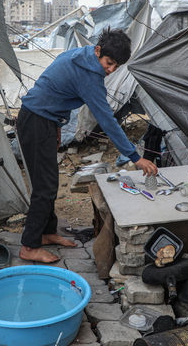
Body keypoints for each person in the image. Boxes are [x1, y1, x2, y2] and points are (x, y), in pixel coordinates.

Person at [16, 28, 159, 263]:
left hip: (44, 120)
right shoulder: (89, 76)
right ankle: (29, 246)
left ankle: (46, 233)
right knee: (45, 186)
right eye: (109, 63)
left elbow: (55, 91)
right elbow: (107, 121)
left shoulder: (80, 54)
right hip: (36, 122)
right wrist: (135, 157)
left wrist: (57, 126)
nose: (111, 70)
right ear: (98, 50)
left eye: (116, 67)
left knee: (48, 181)